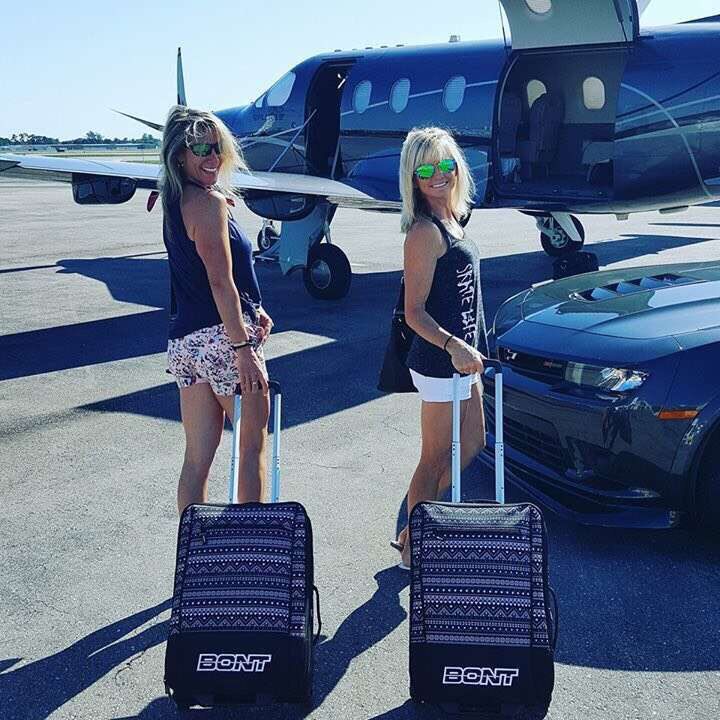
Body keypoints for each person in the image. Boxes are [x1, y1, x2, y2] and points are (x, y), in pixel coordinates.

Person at [159, 105, 273, 513]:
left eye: (217, 148)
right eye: (201, 149)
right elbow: (219, 281)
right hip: (223, 342)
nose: (213, 157)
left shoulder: (178, 202)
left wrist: (254, 308)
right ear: (179, 156)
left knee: (196, 458)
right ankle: (250, 540)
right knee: (251, 446)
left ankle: (193, 544)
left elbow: (196, 275)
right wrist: (243, 348)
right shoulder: (207, 205)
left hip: (186, 344)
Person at [392, 127, 488, 569]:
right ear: (413, 178)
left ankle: (415, 527)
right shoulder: (424, 232)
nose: (438, 175)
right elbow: (414, 313)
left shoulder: (453, 220)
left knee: (472, 443)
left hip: (465, 359)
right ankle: (413, 549)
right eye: (425, 169)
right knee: (432, 459)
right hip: (439, 360)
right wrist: (454, 347)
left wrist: (474, 348)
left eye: (445, 164)